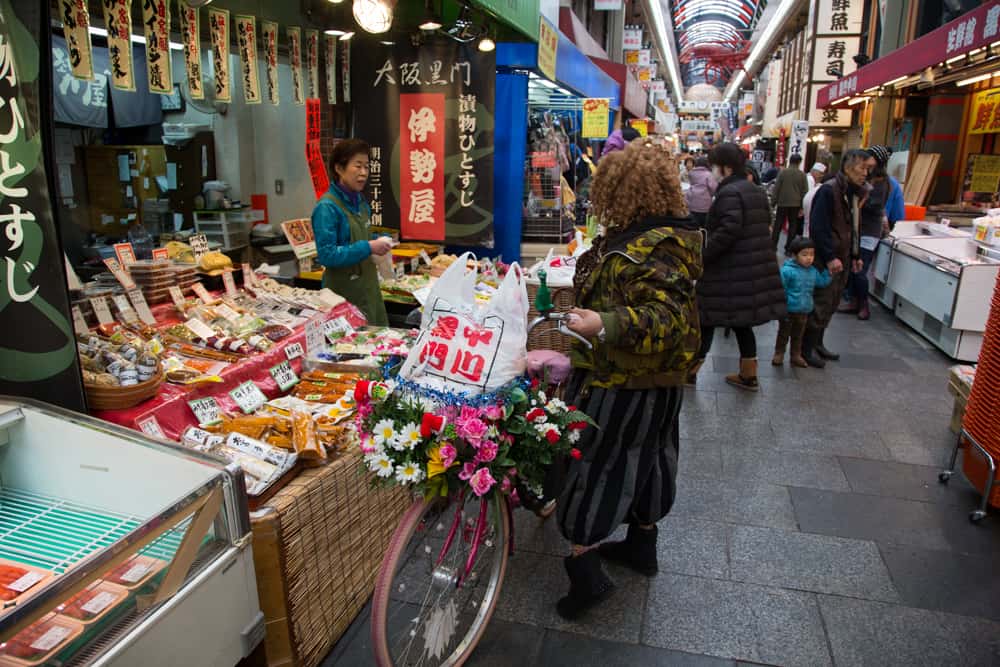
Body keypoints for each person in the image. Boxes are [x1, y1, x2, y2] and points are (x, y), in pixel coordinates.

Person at [556, 140, 703, 620]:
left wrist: (604, 323)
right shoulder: (659, 236)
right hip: (656, 384)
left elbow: (667, 318)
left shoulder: (649, 247)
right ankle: (643, 547)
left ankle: (586, 575)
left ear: (621, 193)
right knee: (652, 459)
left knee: (594, 468)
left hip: (620, 382)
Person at [688, 142, 786, 391]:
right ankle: (748, 373)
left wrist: (704, 254)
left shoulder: (730, 193)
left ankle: (690, 372)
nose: (713, 170)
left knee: (706, 316)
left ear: (727, 167)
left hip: (729, 270)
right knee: (742, 321)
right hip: (749, 268)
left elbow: (728, 230)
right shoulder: (753, 189)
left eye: (715, 165)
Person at [803, 149, 874, 367]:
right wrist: (830, 256)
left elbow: (853, 227)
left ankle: (818, 343)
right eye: (862, 168)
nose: (865, 174)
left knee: (832, 302)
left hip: (842, 257)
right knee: (821, 303)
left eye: (868, 169)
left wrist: (855, 254)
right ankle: (805, 349)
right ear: (847, 166)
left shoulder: (852, 193)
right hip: (827, 259)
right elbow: (819, 227)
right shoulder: (829, 190)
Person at [311, 138, 392, 326]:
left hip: (369, 288)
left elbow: (358, 238)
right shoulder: (327, 207)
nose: (364, 173)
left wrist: (377, 243)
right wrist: (368, 246)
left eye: (366, 166)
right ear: (339, 169)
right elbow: (327, 255)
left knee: (381, 347)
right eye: (358, 166)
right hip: (343, 295)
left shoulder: (361, 202)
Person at [841, 145, 893, 320]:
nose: (865, 165)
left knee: (860, 268)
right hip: (860, 228)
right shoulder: (867, 180)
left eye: (869, 159)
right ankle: (854, 301)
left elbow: (875, 205)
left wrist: (861, 200)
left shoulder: (882, 183)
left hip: (870, 230)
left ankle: (864, 305)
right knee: (854, 267)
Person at [773, 237, 832, 367]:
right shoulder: (787, 271)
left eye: (811, 254)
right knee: (784, 334)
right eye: (804, 254)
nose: (809, 258)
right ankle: (779, 353)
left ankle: (795, 355)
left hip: (804, 311)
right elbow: (780, 288)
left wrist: (829, 273)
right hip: (788, 310)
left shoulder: (812, 271)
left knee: (798, 336)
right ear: (795, 255)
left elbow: (821, 282)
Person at [771, 154, 810, 253]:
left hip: (782, 202)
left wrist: (773, 202)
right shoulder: (802, 175)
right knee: (793, 226)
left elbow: (777, 188)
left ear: (790, 161)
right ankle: (788, 249)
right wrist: (802, 206)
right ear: (799, 162)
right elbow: (805, 191)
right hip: (795, 203)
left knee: (778, 224)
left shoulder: (783, 173)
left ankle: (773, 246)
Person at [685, 157, 716, 227]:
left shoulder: (691, 173)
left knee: (694, 224)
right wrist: (711, 195)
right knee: (704, 224)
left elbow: (692, 183)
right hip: (704, 204)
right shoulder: (709, 174)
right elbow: (713, 188)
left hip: (692, 201)